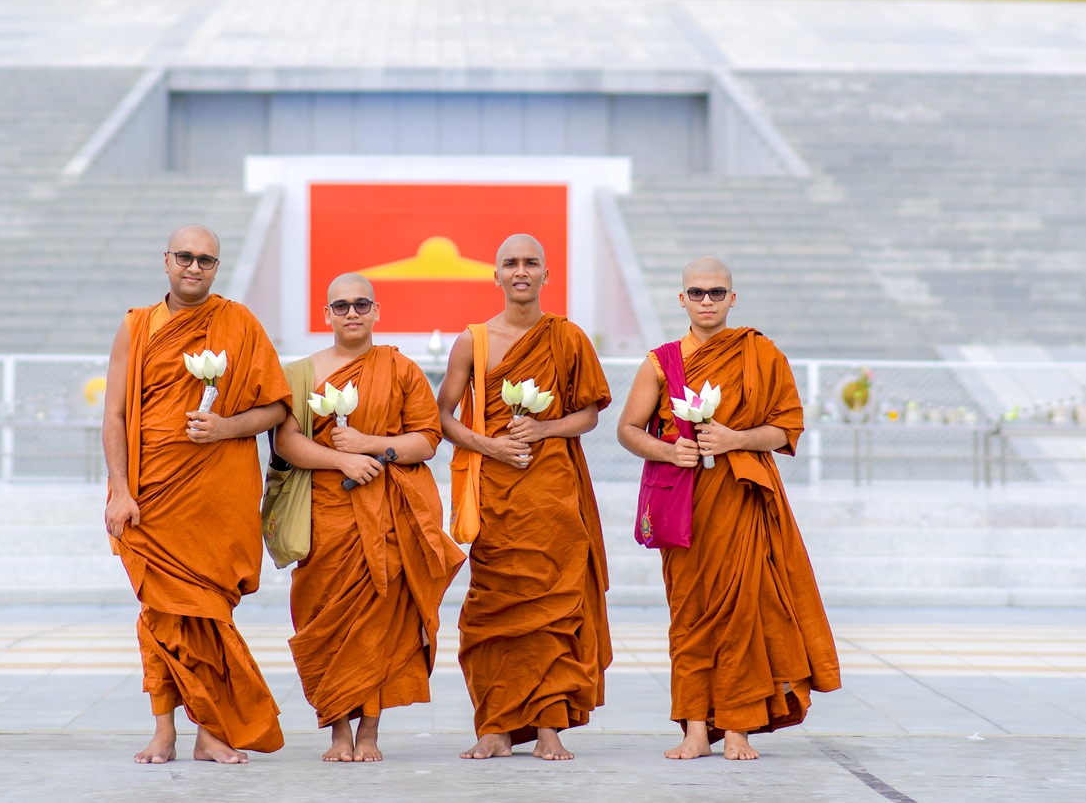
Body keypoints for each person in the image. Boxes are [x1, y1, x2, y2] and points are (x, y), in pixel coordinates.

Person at [615, 257, 841, 760]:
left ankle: (737, 724)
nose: (707, 302)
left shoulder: (759, 353)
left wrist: (736, 437)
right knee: (690, 615)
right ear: (682, 300)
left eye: (717, 293)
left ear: (732, 298)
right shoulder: (661, 361)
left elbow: (786, 427)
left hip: (741, 502)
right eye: (697, 293)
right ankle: (695, 727)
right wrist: (672, 449)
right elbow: (628, 429)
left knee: (744, 612)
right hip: (684, 505)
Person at [102, 224, 291, 764]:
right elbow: (114, 416)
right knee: (159, 614)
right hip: (150, 497)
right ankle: (164, 729)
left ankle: (211, 730)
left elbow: (277, 407)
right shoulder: (136, 327)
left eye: (206, 260)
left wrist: (227, 428)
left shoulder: (238, 322)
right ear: (165, 260)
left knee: (208, 614)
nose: (194, 267)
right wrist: (119, 491)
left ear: (216, 267)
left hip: (216, 498)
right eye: (185, 256)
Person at [271, 273, 465, 762]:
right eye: (341, 306)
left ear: (377, 311)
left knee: (381, 619)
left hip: (387, 516)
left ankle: (371, 733)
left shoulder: (401, 369)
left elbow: (428, 438)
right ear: (327, 315)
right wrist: (342, 459)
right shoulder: (302, 373)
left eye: (361, 304)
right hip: (326, 513)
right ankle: (338, 732)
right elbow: (286, 441)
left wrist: (371, 447)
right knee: (324, 618)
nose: (351, 313)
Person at [436, 232, 612, 761]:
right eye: (509, 263)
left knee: (554, 607)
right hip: (495, 493)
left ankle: (547, 724)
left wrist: (544, 430)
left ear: (545, 275)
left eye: (530, 263)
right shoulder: (474, 340)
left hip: (553, 494)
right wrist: (488, 443)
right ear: (495, 275)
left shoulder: (569, 337)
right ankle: (493, 723)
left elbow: (590, 413)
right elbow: (443, 417)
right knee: (494, 606)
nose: (520, 271)